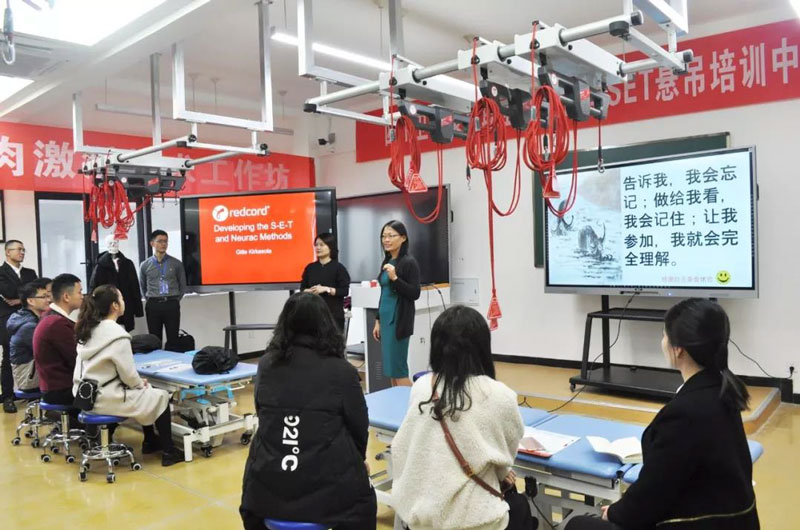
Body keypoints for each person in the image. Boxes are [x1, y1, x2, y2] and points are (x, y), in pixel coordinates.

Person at [565, 298, 759, 530]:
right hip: (731, 519)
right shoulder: (723, 390)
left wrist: (615, 512)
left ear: (678, 349)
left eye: (664, 335)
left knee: (578, 525)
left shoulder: (684, 414)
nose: (663, 341)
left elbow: (652, 494)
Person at [240, 292, 376, 530]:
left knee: (253, 501)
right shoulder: (341, 370)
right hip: (326, 493)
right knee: (362, 505)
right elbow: (358, 426)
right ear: (326, 325)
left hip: (267, 490)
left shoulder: (266, 365)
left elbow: (263, 413)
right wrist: (358, 459)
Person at [392, 305, 528, 530]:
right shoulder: (499, 395)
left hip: (420, 519)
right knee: (520, 506)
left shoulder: (422, 386)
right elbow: (506, 453)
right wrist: (503, 473)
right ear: (482, 347)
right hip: (476, 522)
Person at [73, 284, 183, 466]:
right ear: (115, 306)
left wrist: (137, 384)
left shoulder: (87, 331)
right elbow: (129, 376)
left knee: (145, 393)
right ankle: (169, 451)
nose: (124, 302)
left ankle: (150, 441)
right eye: (122, 298)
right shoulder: (118, 335)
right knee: (160, 395)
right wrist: (140, 384)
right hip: (106, 399)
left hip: (85, 397)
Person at [372, 220, 420, 387]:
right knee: (391, 370)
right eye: (384, 236)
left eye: (391, 236)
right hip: (386, 319)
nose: (386, 240)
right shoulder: (387, 261)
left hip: (399, 320)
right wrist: (378, 320)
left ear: (403, 238)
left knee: (399, 370)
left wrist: (395, 278)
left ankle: (414, 402)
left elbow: (415, 293)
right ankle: (397, 402)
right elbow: (384, 293)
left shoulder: (408, 262)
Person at [0, 240, 39, 412]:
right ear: (8, 252)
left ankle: (33, 391)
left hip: (30, 318)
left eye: (23, 249)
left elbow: (36, 293)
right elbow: (8, 292)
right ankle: (7, 396)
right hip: (7, 320)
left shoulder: (30, 273)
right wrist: (25, 297)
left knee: (35, 353)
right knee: (8, 356)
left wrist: (18, 300)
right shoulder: (1, 273)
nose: (22, 252)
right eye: (18, 249)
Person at [139, 230, 186, 350]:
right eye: (160, 241)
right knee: (154, 339)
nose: (163, 244)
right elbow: (143, 286)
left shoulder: (176, 264)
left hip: (171, 303)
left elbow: (182, 286)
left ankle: (174, 360)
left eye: (165, 241)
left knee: (173, 339)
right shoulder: (145, 265)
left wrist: (175, 300)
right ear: (152, 243)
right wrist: (150, 298)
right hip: (153, 304)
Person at [90, 234, 144, 332]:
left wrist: (138, 309)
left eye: (115, 242)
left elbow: (135, 287)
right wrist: (93, 309)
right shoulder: (101, 266)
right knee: (109, 330)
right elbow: (94, 287)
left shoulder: (128, 263)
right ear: (107, 245)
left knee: (125, 331)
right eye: (111, 243)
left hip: (126, 303)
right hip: (107, 305)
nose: (113, 245)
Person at [300, 232, 351, 332]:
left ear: (330, 247)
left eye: (322, 245)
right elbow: (302, 289)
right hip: (312, 315)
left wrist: (326, 289)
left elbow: (344, 291)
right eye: (316, 245)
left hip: (333, 316)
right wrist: (312, 291)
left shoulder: (339, 268)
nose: (318, 248)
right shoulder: (310, 268)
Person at [7, 278, 51, 393]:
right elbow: (48, 351)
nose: (48, 300)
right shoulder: (29, 326)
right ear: (31, 301)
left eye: (48, 296)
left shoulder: (29, 318)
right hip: (28, 377)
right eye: (44, 297)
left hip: (31, 372)